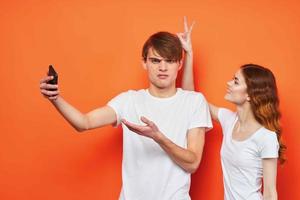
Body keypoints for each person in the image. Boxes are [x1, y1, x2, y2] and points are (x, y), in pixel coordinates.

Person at [39, 25, 212, 199]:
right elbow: (84, 122)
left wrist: (158, 137)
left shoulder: (194, 102)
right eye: (155, 60)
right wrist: (55, 98)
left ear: (179, 64)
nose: (163, 67)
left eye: (170, 61)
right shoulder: (128, 101)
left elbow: (193, 163)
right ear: (144, 63)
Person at [179, 18, 286, 200]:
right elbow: (191, 97)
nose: (229, 84)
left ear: (250, 94)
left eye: (235, 81)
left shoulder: (265, 137)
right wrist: (189, 54)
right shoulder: (230, 120)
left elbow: (269, 194)